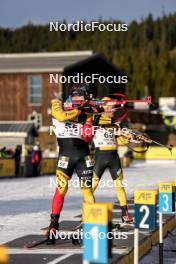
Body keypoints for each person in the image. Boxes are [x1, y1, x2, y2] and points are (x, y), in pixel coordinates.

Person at [47, 83, 95, 244]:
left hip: (83, 157)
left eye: (84, 98)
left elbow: (88, 138)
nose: (82, 100)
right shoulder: (57, 103)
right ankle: (53, 225)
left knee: (87, 192)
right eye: (80, 97)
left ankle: (89, 225)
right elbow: (60, 116)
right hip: (65, 157)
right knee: (60, 190)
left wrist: (90, 124)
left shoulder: (87, 114)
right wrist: (78, 111)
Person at [91, 97, 133, 223]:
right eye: (109, 107)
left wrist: (128, 138)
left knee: (120, 186)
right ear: (103, 107)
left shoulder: (115, 123)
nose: (112, 110)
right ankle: (87, 211)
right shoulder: (95, 119)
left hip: (113, 157)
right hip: (100, 156)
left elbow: (119, 140)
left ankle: (125, 213)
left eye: (113, 108)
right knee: (91, 187)